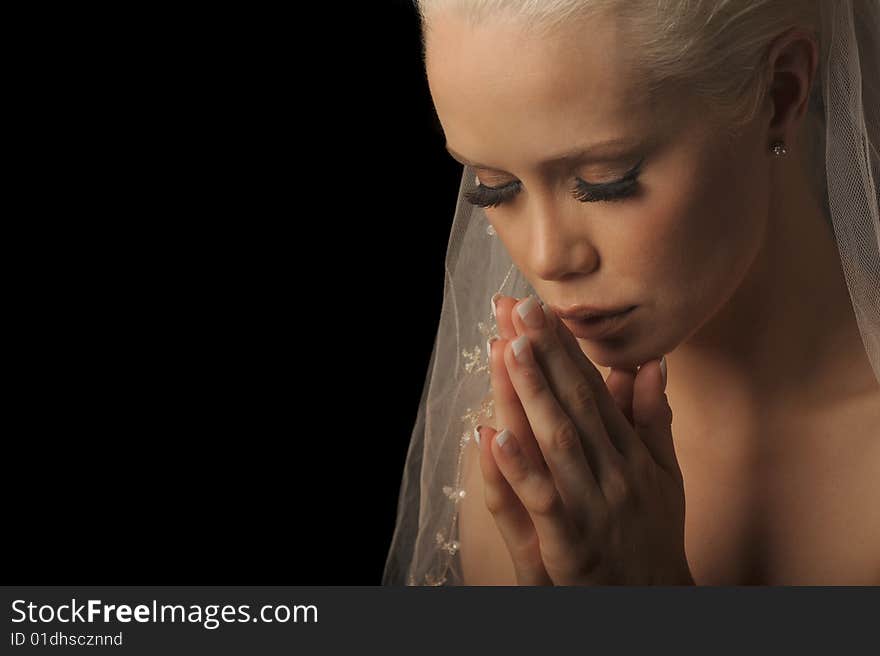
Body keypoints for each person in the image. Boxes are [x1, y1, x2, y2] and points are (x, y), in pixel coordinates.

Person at [383, 0, 880, 585]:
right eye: (494, 189)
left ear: (780, 92)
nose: (546, 257)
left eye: (606, 181)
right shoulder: (522, 468)